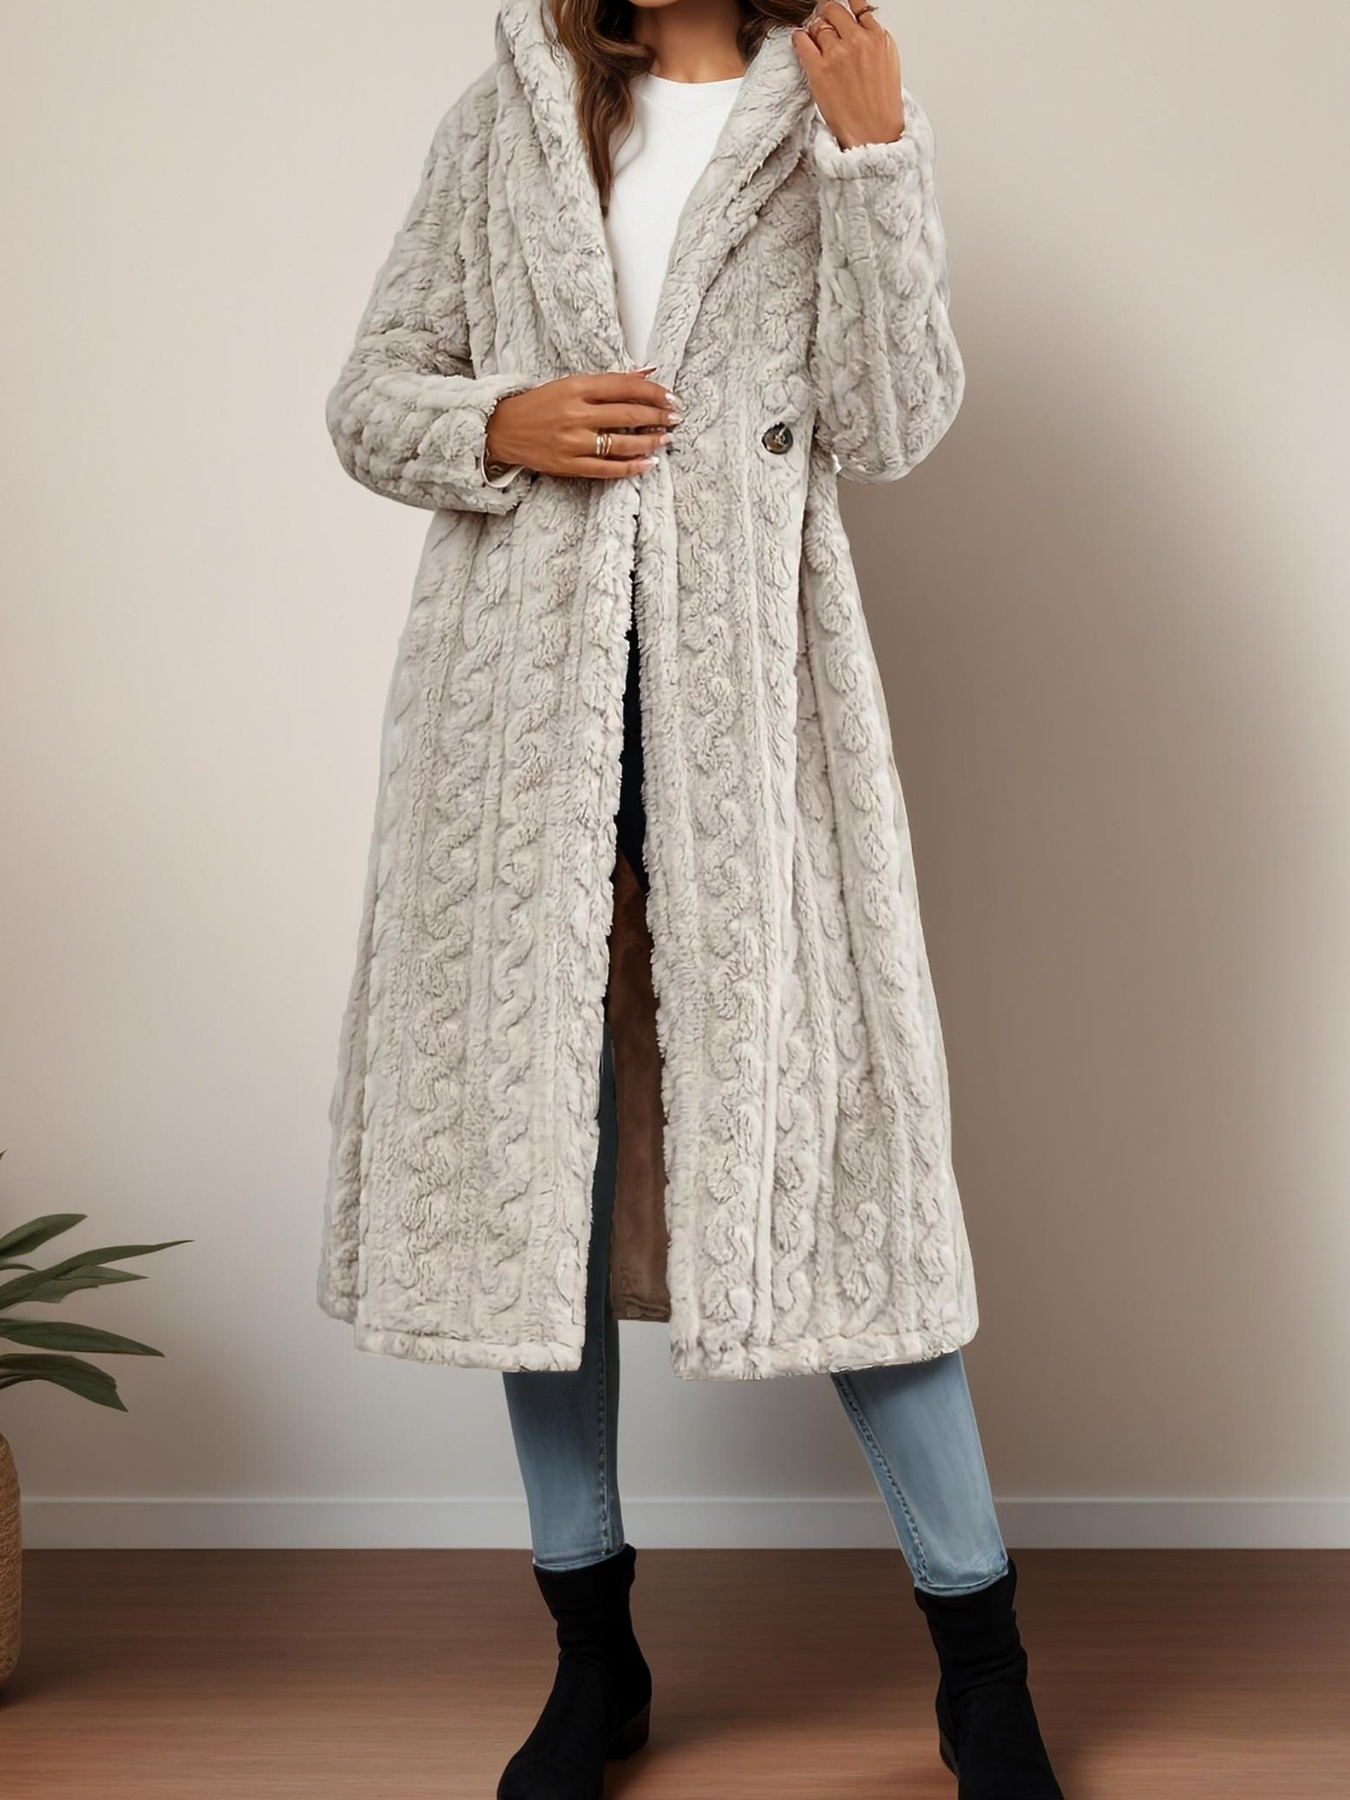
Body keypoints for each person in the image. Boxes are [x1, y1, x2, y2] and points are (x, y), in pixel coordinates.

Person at [318, 2, 1066, 1796]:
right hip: (520, 738)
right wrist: (499, 419)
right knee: (539, 1189)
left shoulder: (828, 112)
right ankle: (594, 1660)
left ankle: (983, 1674)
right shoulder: (506, 115)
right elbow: (368, 395)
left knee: (844, 1175)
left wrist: (876, 159)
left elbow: (891, 423)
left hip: (750, 726)